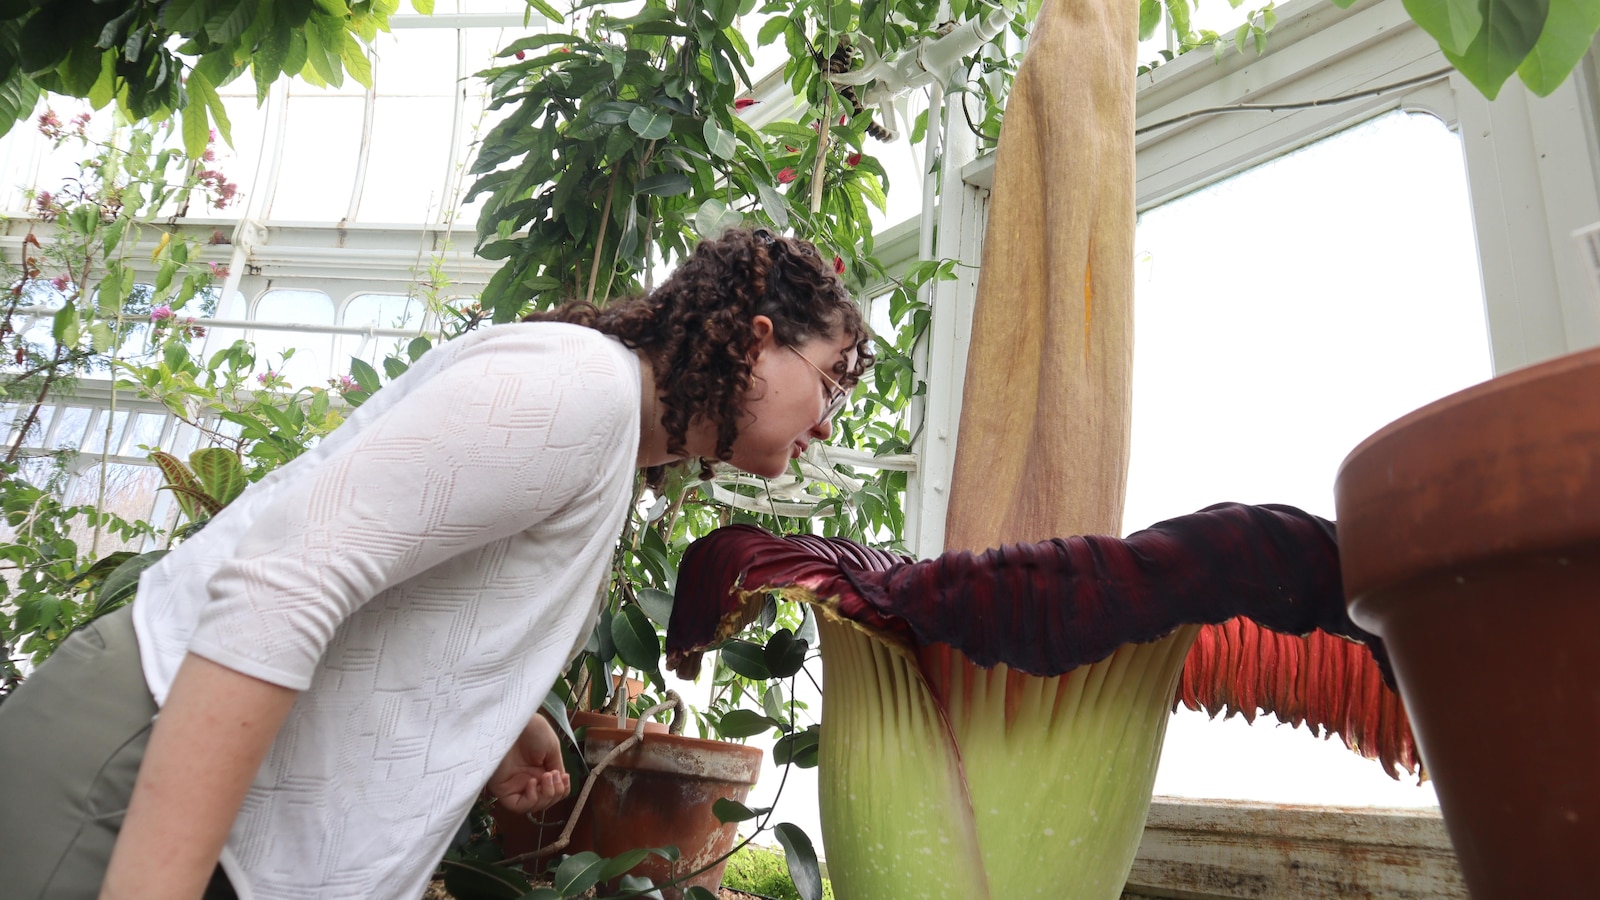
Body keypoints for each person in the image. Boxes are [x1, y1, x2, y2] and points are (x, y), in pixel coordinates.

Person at [0, 227, 873, 900]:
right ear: (758, 341)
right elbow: (285, 582)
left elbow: (408, 595)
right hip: (133, 769)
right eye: (831, 382)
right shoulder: (583, 389)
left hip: (194, 789)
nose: (828, 423)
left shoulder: (613, 439)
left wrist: (503, 715)